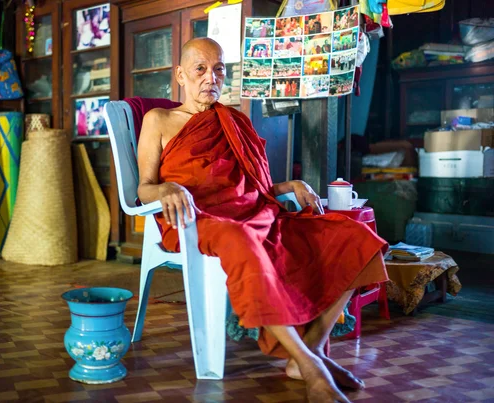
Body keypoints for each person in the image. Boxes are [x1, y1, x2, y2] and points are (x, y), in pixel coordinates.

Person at [137, 38, 388, 403]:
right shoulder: (159, 120)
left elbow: (257, 184)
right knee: (243, 242)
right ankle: (310, 365)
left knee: (355, 237)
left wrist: (290, 184)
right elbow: (144, 188)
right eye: (200, 69)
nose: (212, 77)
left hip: (256, 213)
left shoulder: (234, 119)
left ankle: (310, 351)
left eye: (219, 68)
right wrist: (165, 189)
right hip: (198, 219)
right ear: (180, 75)